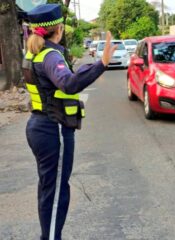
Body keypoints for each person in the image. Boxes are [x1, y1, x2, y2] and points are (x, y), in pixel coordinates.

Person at [23, 4, 117, 240]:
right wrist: (102, 63)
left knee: (48, 188)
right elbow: (69, 84)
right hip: (53, 128)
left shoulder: (34, 52)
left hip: (38, 125)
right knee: (56, 192)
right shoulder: (51, 55)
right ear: (60, 29)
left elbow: (64, 78)